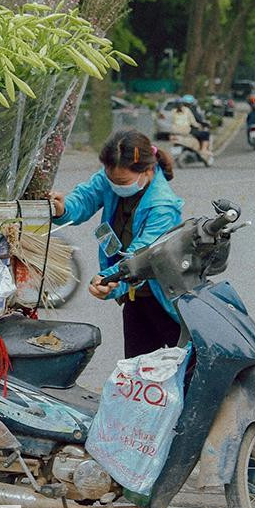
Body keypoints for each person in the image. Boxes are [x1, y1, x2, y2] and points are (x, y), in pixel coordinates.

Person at [48, 130, 184, 358]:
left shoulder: (163, 206)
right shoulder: (110, 178)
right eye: (110, 180)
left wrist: (110, 280)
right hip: (134, 295)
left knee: (177, 369)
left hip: (164, 299)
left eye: (122, 182)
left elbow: (140, 254)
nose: (115, 186)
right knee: (136, 370)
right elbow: (85, 197)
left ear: (148, 171)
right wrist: (63, 208)